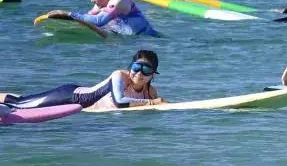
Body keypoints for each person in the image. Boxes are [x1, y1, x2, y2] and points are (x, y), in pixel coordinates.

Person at [1, 50, 164, 111]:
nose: (139, 73)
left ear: (153, 74)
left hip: (79, 107)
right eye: (136, 67)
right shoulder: (119, 76)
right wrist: (151, 103)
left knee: (26, 100)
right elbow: (120, 102)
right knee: (19, 104)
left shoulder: (150, 93)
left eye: (146, 69)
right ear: (130, 67)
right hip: (69, 97)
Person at [44, 0, 159, 37]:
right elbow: (89, 17)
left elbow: (98, 21)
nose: (91, 0)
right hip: (127, 35)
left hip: (146, 37)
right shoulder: (103, 1)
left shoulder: (119, 1)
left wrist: (68, 14)